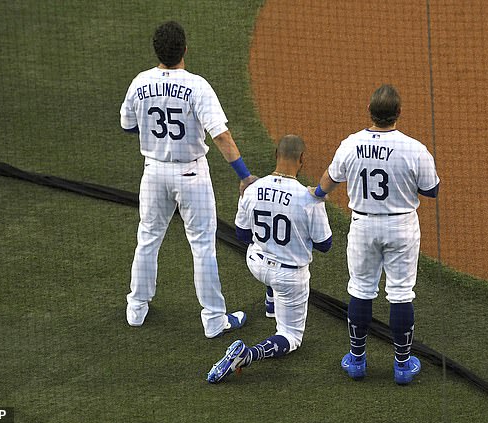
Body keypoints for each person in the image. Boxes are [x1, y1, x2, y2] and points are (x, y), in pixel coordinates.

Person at [120, 21, 257, 338]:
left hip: (153, 172)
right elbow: (221, 137)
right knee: (203, 248)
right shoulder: (197, 86)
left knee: (148, 239)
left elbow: (127, 125)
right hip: (191, 174)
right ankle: (213, 320)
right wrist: (244, 175)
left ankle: (136, 309)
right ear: (184, 49)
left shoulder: (140, 82)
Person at [311, 84, 439, 384]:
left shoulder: (350, 144)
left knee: (360, 290)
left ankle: (356, 361)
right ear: (399, 114)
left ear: (370, 112)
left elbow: (329, 180)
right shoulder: (413, 148)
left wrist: (316, 194)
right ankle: (403, 366)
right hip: (401, 227)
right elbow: (432, 189)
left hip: (363, 227)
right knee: (401, 293)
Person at [207, 134, 333, 383]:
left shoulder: (252, 189)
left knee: (268, 247)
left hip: (256, 263)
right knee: (291, 337)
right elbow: (325, 245)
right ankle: (247, 355)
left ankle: (271, 302)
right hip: (288, 277)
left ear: (276, 155)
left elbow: (242, 235)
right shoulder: (309, 199)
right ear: (302, 160)